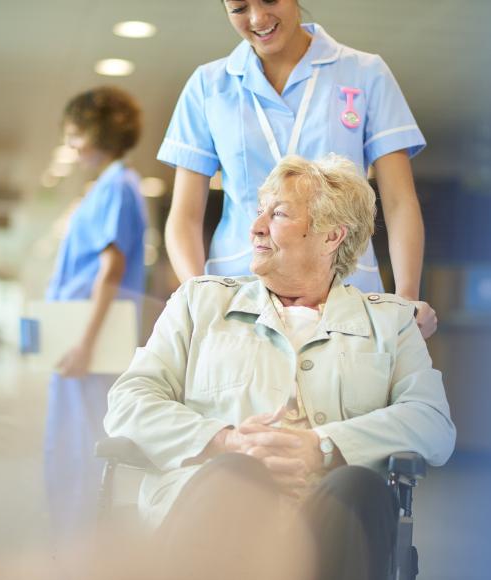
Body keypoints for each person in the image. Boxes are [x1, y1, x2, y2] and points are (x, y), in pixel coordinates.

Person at [104, 155, 455, 580]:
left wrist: (324, 446)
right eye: (259, 212)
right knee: (238, 474)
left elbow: (433, 421)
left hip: (327, 515)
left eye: (279, 214)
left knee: (360, 486)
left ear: (331, 236)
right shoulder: (199, 303)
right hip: (212, 505)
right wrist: (225, 441)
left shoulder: (390, 322)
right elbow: (127, 401)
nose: (255, 227)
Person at [158, 0, 437, 338]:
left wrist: (407, 298)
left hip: (345, 290)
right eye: (239, 8)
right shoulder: (208, 86)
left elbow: (398, 201)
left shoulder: (365, 74)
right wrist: (196, 295)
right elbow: (185, 215)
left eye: (270, 0)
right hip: (237, 296)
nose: (258, 18)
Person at [44, 86, 147, 560]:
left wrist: (85, 343)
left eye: (74, 134)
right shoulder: (107, 186)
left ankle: (81, 556)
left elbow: (110, 269)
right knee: (68, 448)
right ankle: (70, 550)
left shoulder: (119, 186)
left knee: (83, 449)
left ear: (97, 132)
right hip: (80, 340)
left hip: (91, 344)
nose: (70, 144)